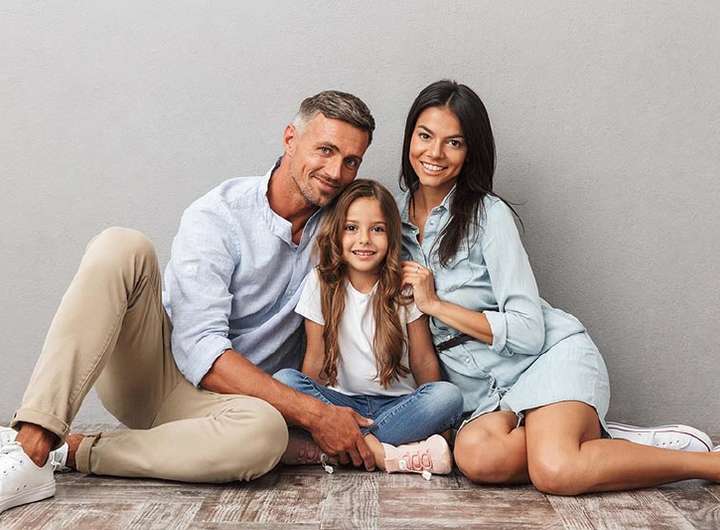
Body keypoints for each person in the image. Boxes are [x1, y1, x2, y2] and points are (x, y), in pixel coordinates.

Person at [0, 90, 378, 514]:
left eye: (351, 161)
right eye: (325, 150)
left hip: (236, 408)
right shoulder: (220, 214)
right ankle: (31, 446)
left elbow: (398, 236)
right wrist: (316, 414)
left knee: (265, 435)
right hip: (158, 376)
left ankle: (71, 451)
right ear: (290, 139)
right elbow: (202, 350)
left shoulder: (347, 229)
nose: (336, 172)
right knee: (121, 245)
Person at [397, 79, 718, 494]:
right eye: (425, 136)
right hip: (488, 400)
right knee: (476, 458)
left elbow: (529, 331)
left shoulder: (488, 216)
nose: (435, 153)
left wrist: (437, 305)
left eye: (454, 142)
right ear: (410, 137)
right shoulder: (390, 224)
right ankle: (600, 443)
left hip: (547, 360)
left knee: (556, 471)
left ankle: (708, 464)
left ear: (470, 151)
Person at [274, 179, 464, 477]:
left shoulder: (404, 287)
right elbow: (314, 359)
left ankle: (339, 450)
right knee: (285, 381)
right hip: (339, 407)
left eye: (377, 229)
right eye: (351, 228)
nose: (364, 240)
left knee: (448, 396)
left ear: (391, 236)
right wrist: (314, 416)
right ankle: (387, 454)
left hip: (397, 407)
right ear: (337, 233)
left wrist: (437, 417)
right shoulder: (321, 282)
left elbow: (423, 359)